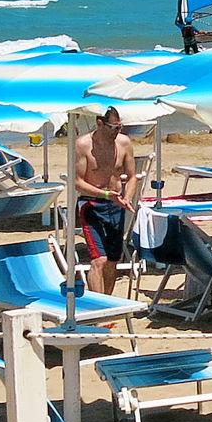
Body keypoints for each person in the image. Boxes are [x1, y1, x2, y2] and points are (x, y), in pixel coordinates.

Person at [75, 107, 138, 299]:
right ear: (99, 123)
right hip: (91, 204)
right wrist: (104, 194)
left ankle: (107, 305)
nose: (117, 132)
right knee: (99, 260)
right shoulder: (83, 145)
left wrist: (126, 197)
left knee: (113, 260)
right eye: (113, 127)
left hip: (116, 204)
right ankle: (98, 308)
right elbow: (78, 182)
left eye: (119, 127)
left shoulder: (124, 143)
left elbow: (133, 176)